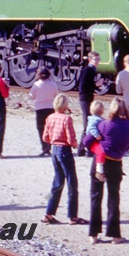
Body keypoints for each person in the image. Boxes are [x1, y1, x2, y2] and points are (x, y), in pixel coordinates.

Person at [88, 97, 129, 245]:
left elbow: (88, 139)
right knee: (114, 199)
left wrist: (98, 147)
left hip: (99, 162)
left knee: (96, 197)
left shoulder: (104, 124)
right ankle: (115, 235)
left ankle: (94, 235)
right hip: (116, 164)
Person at [41, 94, 88, 226]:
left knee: (57, 183)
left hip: (54, 151)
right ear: (65, 105)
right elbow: (70, 138)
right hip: (65, 151)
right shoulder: (67, 119)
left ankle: (48, 214)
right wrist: (75, 145)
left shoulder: (50, 117)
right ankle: (72, 216)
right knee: (72, 183)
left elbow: (45, 137)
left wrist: (54, 141)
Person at [77, 51, 102, 157]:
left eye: (98, 59)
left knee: (88, 123)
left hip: (87, 97)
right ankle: (83, 149)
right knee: (87, 124)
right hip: (85, 98)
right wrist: (95, 84)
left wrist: (95, 86)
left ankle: (83, 149)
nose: (98, 61)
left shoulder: (91, 70)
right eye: (96, 59)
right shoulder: (88, 70)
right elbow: (82, 86)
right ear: (90, 60)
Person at [29, 66, 58, 156]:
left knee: (41, 128)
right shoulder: (53, 84)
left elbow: (31, 96)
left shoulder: (36, 85)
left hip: (40, 108)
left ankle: (44, 147)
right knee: (50, 128)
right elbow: (56, 95)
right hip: (50, 108)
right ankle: (49, 146)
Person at [83, 100, 107, 182]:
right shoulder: (95, 119)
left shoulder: (97, 119)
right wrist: (98, 136)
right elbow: (92, 128)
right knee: (101, 152)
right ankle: (99, 171)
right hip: (93, 141)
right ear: (102, 111)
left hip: (95, 140)